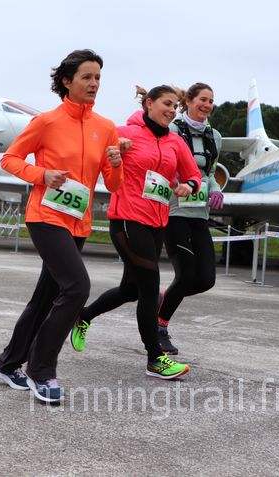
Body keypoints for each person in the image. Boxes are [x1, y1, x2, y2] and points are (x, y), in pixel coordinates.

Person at [0, 49, 123, 403]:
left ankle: (7, 364)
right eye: (86, 77)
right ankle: (41, 369)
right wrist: (42, 174)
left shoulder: (106, 128)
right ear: (67, 81)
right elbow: (10, 159)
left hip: (78, 222)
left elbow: (114, 184)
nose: (94, 84)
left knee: (46, 297)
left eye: (98, 78)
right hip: (46, 216)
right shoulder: (46, 122)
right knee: (78, 288)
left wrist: (116, 162)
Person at [70, 85, 201, 380]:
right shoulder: (123, 132)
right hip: (127, 219)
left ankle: (83, 316)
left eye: (175, 106)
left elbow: (193, 174)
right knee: (150, 287)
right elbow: (93, 155)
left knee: (131, 290)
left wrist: (188, 185)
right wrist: (113, 150)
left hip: (157, 223)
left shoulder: (176, 142)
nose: (172, 110)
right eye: (167, 104)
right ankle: (155, 358)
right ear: (149, 103)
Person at [157, 82, 223, 355]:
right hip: (175, 212)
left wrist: (216, 189)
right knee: (185, 276)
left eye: (211, 101)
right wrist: (177, 182)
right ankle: (160, 328)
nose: (207, 105)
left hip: (199, 214)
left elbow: (210, 172)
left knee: (206, 279)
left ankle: (163, 298)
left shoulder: (214, 136)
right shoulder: (172, 130)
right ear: (189, 101)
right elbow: (163, 165)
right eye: (203, 99)